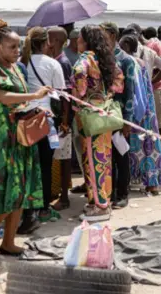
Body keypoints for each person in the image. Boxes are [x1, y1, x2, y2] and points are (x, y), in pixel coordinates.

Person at [0, 18, 50, 260]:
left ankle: (8, 241)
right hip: (2, 139)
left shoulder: (17, 68)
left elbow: (18, 100)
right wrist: (34, 95)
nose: (17, 52)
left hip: (20, 136)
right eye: (12, 48)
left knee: (20, 190)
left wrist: (33, 108)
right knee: (6, 190)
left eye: (19, 47)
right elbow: (0, 97)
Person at [72, 24, 124, 221]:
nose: (77, 42)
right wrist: (106, 95)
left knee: (92, 160)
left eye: (79, 39)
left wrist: (81, 95)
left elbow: (78, 77)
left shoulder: (85, 60)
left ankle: (100, 205)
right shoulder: (106, 58)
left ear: (86, 41)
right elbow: (119, 81)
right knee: (103, 159)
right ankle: (100, 200)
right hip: (105, 114)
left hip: (90, 115)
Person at [119, 34, 161, 192]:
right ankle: (152, 182)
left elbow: (130, 92)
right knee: (149, 145)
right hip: (148, 108)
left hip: (136, 110)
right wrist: (152, 81)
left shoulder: (128, 63)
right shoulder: (143, 61)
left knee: (134, 146)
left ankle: (130, 180)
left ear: (127, 46)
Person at [25, 26, 66, 221]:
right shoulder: (53, 64)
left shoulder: (21, 63)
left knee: (28, 164)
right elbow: (61, 94)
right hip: (48, 120)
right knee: (46, 163)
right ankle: (43, 207)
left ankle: (28, 207)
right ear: (45, 43)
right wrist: (64, 121)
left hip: (26, 119)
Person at [101, 22, 136, 207]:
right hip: (103, 116)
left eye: (103, 35)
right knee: (107, 157)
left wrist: (127, 120)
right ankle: (110, 191)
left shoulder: (126, 60)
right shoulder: (100, 59)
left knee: (121, 156)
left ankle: (122, 193)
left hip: (120, 115)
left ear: (113, 36)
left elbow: (130, 92)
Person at [48, 27, 74, 211]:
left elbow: (66, 95)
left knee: (64, 157)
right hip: (57, 115)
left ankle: (64, 197)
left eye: (48, 40)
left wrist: (65, 120)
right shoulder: (55, 61)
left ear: (56, 41)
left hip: (62, 117)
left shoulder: (62, 63)